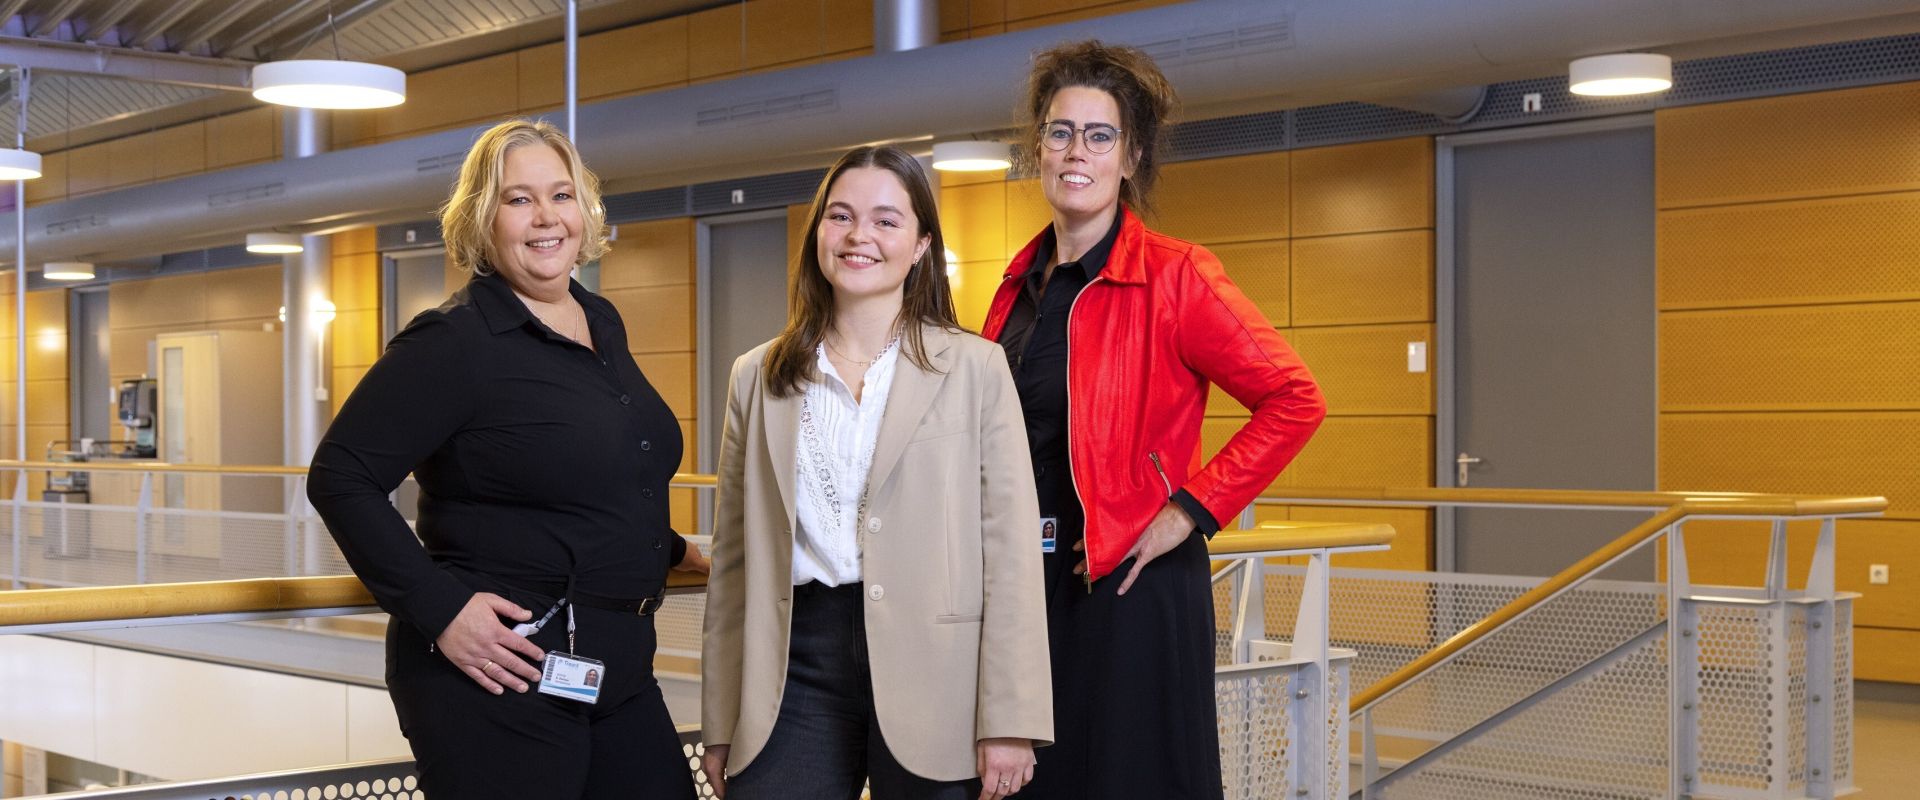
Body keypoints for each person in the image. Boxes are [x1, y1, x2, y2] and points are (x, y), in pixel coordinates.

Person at [308, 118, 708, 799]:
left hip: (615, 664)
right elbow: (341, 477)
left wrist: (668, 548)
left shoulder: (599, 318)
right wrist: (441, 610)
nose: (545, 217)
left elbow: (583, 471)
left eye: (561, 195)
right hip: (502, 673)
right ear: (481, 221)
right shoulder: (453, 343)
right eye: (518, 199)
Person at [980, 41, 1327, 800]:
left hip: (1132, 586)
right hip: (1028, 586)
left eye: (1099, 136)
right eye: (1060, 131)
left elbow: (1294, 400)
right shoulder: (1014, 288)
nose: (1077, 152)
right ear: (1037, 146)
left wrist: (1189, 509)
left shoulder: (1176, 274)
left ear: (1130, 157)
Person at [701, 146, 1051, 800]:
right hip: (792, 666)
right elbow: (734, 565)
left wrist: (1011, 716)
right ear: (818, 236)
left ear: (921, 243)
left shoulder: (975, 369)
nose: (860, 236)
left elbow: (1010, 550)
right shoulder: (757, 377)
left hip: (939, 670)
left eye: (887, 221)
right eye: (841, 216)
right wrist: (722, 718)